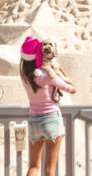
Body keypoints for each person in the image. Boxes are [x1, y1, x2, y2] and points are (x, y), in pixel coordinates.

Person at [19, 37, 75, 176]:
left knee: (33, 166)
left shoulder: (24, 75)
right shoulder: (48, 75)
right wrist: (61, 73)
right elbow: (71, 89)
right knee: (50, 169)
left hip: (34, 121)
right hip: (51, 118)